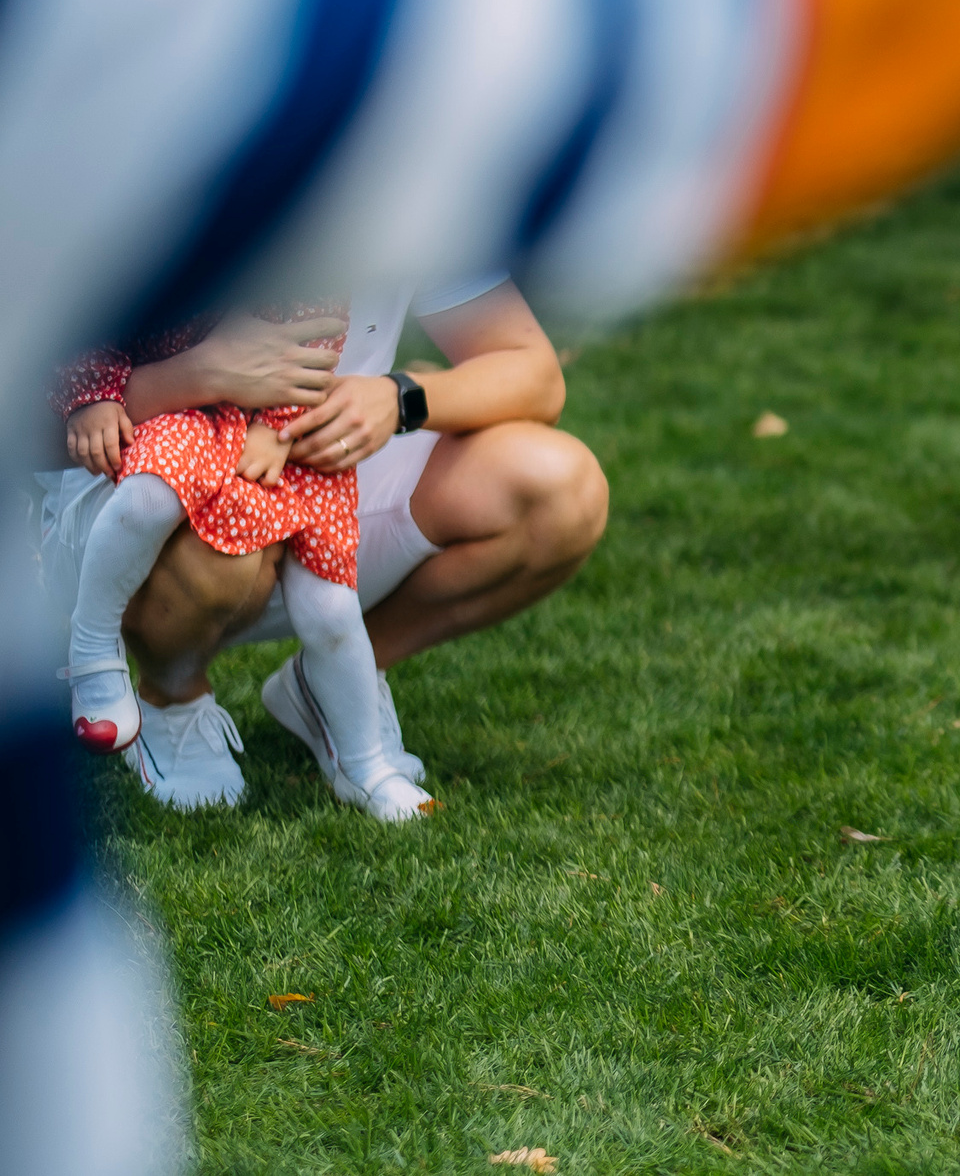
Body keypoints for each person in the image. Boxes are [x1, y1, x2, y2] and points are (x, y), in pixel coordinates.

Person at [34, 277, 607, 810]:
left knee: (559, 488)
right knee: (216, 521)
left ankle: (335, 696)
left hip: (312, 470)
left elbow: (533, 373)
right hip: (142, 480)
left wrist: (397, 396)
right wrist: (200, 374)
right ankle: (171, 697)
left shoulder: (406, 189)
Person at [55, 302, 433, 822]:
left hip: (282, 439)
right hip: (189, 414)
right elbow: (95, 310)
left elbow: (316, 339)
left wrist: (279, 427)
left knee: (331, 607)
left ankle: (366, 767)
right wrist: (94, 395)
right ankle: (94, 650)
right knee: (149, 498)